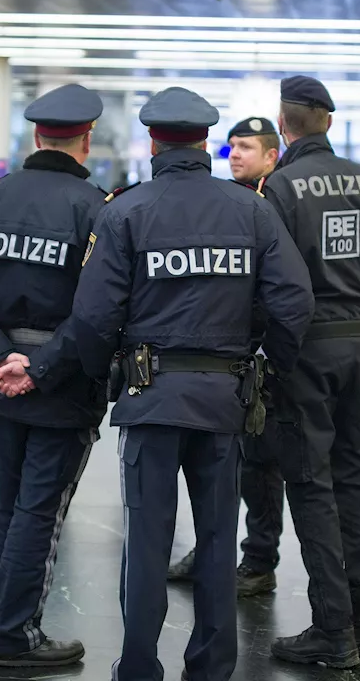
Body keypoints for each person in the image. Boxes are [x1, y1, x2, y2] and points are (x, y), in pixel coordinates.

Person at [70, 87, 313, 681]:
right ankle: (210, 668)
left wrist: (101, 379)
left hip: (151, 399)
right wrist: (264, 365)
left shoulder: (125, 211)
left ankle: (138, 666)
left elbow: (94, 318)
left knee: (148, 540)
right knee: (215, 538)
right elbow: (294, 300)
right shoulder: (250, 210)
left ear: (153, 142)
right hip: (224, 400)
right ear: (208, 143)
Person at [0, 84, 110, 669]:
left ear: (37, 136)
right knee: (41, 511)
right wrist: (41, 367)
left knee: (8, 507)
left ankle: (11, 623)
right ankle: (15, 635)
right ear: (85, 139)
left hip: (2, 385)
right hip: (62, 388)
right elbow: (98, 309)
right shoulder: (96, 209)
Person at [259, 76, 360, 668]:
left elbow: (276, 285)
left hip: (309, 349)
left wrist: (276, 357)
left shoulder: (281, 187)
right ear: (328, 121)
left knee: (311, 482)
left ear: (283, 123)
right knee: (354, 478)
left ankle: (332, 630)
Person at [168, 115, 288, 598]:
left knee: (260, 464)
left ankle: (259, 558)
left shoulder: (274, 201)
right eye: (232, 146)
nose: (235, 154)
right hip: (229, 356)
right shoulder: (230, 199)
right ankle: (212, 549)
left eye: (247, 147)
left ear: (271, 155)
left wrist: (272, 352)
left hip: (263, 353)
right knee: (227, 463)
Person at [226, 116, 280, 192]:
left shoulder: (281, 195)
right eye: (232, 146)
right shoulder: (229, 192)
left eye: (245, 147)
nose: (233, 155)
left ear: (270, 156)